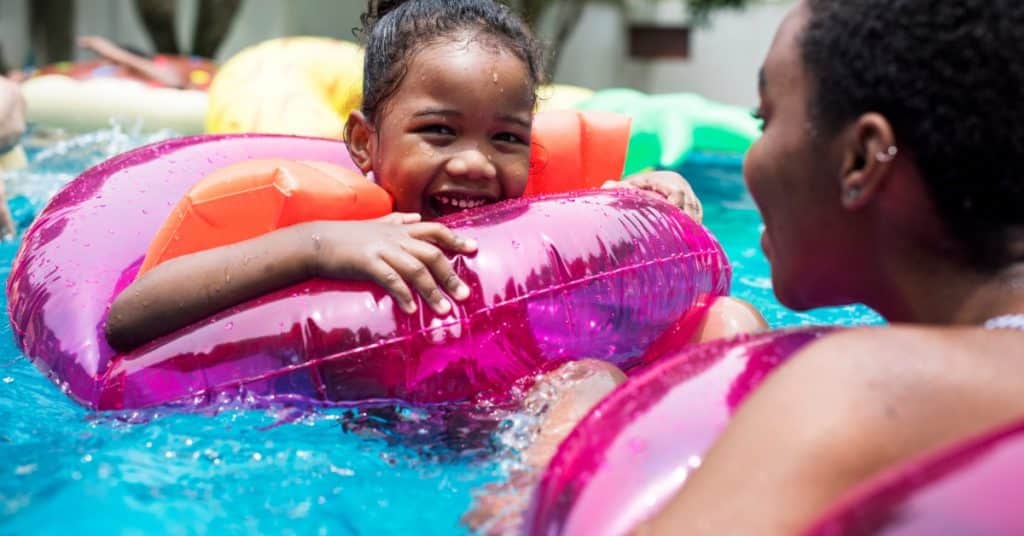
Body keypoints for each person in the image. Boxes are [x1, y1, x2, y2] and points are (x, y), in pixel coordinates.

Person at [469, 1, 1024, 534]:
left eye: (764, 119)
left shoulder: (856, 389)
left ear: (860, 160)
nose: (751, 162)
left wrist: (562, 445)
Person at [104, 0, 756, 353]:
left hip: (510, 402)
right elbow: (127, 319)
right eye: (438, 132)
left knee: (733, 320)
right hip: (371, 431)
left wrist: (643, 205)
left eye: (507, 138)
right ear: (364, 143)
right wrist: (321, 246)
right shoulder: (325, 231)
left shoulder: (541, 217)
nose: (475, 162)